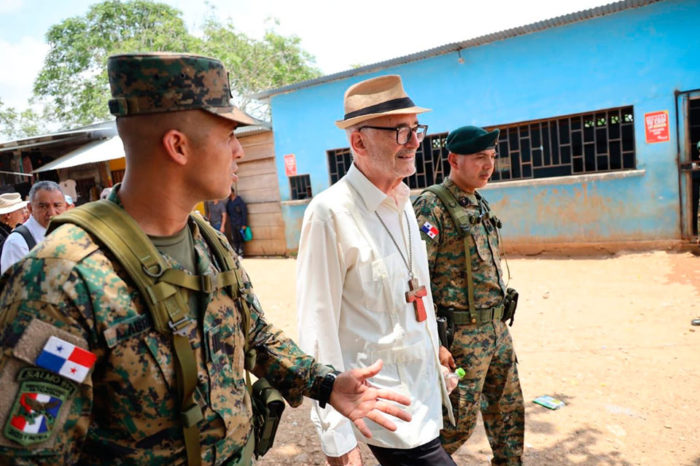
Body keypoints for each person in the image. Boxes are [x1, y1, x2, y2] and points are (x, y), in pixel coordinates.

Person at [0, 53, 413, 465]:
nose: (240, 152)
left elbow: (255, 336)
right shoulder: (60, 279)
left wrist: (326, 383)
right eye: (229, 136)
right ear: (178, 145)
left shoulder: (208, 243)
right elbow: (28, 451)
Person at [297, 75, 456, 466]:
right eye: (400, 132)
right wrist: (339, 444)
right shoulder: (330, 214)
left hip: (424, 396)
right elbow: (316, 331)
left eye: (416, 129)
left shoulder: (403, 202)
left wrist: (434, 350)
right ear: (359, 141)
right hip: (385, 408)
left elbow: (411, 293)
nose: (415, 141)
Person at [413, 125, 525, 464]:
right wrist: (435, 342)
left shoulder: (478, 201)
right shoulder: (431, 207)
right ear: (453, 159)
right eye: (479, 157)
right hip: (461, 339)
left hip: (496, 331)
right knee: (454, 426)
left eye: (491, 157)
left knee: (508, 416)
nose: (488, 165)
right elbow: (416, 280)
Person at [0, 180, 65, 274]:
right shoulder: (17, 242)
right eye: (43, 206)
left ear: (65, 206)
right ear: (30, 208)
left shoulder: (71, 232)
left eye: (57, 205)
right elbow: (13, 285)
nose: (51, 212)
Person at [226, 187, 247, 256]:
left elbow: (244, 212)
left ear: (232, 192)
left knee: (240, 238)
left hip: (240, 223)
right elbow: (228, 213)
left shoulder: (239, 200)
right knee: (235, 239)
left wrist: (244, 224)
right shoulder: (229, 203)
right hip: (233, 223)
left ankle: (241, 253)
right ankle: (237, 253)